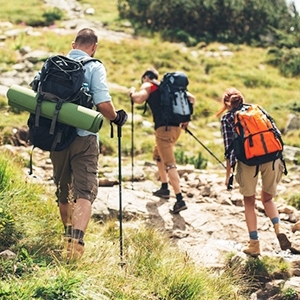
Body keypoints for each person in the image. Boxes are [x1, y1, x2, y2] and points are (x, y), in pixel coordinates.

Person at [50, 28, 128, 260]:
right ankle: (75, 246)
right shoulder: (94, 66)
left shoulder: (54, 63)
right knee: (84, 192)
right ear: (94, 47)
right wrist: (117, 117)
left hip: (56, 136)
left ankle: (66, 236)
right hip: (84, 137)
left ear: (73, 44)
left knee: (64, 191)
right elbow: (103, 103)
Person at [216, 87, 291, 257]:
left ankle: (254, 244)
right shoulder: (256, 109)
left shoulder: (227, 118)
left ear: (226, 103)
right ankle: (279, 228)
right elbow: (276, 133)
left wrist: (228, 175)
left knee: (249, 202)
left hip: (249, 162)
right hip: (273, 158)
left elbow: (229, 150)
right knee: (268, 199)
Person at [128, 68, 195, 214]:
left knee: (170, 164)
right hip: (176, 129)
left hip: (163, 130)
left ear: (146, 77)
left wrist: (132, 92)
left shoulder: (149, 85)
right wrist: (186, 120)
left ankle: (179, 199)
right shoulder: (169, 88)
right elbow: (191, 98)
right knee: (158, 155)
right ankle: (164, 188)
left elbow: (139, 99)